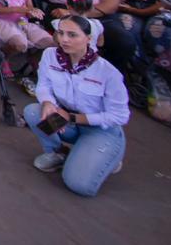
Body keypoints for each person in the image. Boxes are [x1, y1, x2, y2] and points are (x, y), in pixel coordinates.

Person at [24, 15, 129, 197]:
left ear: (88, 39)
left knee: (78, 184)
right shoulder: (50, 56)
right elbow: (44, 85)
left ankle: (107, 155)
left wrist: (73, 118)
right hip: (68, 121)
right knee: (34, 112)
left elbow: (119, 116)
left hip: (99, 129)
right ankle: (58, 153)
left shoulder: (108, 73)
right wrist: (48, 103)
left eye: (72, 35)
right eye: (61, 33)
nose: (64, 39)